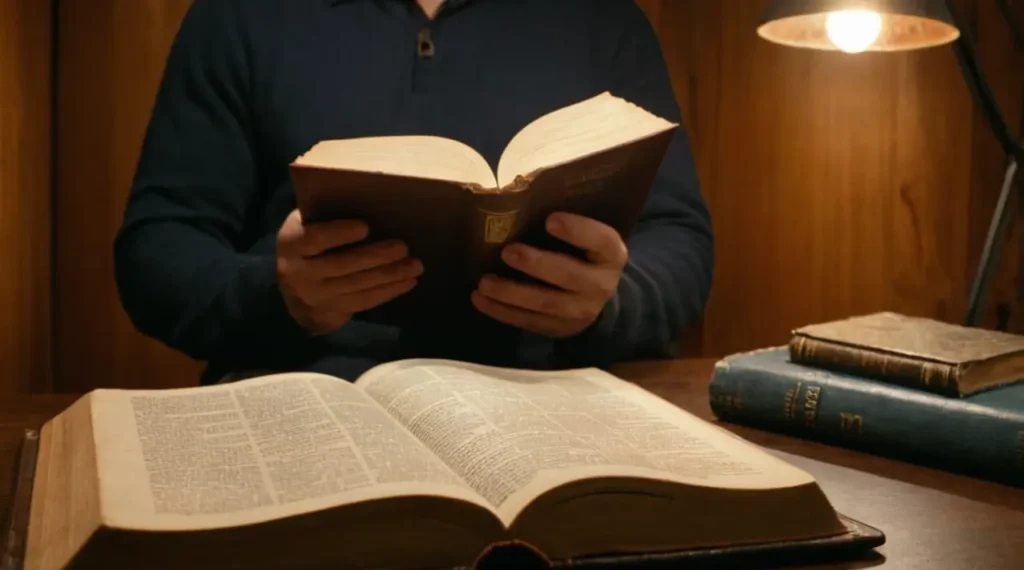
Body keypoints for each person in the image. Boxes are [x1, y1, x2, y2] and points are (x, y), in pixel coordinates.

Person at [114, 0, 714, 384]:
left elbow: (681, 242)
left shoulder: (604, 21)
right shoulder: (239, 16)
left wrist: (609, 303)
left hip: (548, 401)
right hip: (307, 397)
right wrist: (279, 297)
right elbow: (156, 254)